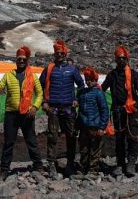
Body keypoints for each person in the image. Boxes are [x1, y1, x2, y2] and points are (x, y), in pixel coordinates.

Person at [0, 46, 44, 184]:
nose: (21, 61)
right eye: (19, 59)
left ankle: (38, 166)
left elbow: (40, 93)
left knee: (31, 141)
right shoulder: (9, 75)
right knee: (9, 142)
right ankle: (4, 170)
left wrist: (35, 107)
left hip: (27, 114)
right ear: (16, 60)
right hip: (11, 114)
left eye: (24, 59)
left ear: (27, 61)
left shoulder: (32, 76)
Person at [40, 39, 85, 177]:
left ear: (65, 54)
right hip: (53, 108)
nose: (59, 55)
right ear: (54, 54)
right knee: (52, 137)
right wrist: (44, 102)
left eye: (61, 53)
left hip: (68, 108)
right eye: (57, 53)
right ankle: (51, 165)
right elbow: (40, 86)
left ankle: (70, 163)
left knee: (71, 136)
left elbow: (81, 85)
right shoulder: (49, 69)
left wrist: (77, 99)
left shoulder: (72, 69)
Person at [101, 45, 138, 177]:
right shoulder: (112, 75)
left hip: (131, 111)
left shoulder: (134, 75)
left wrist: (136, 106)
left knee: (132, 137)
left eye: (123, 58)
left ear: (127, 59)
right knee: (119, 138)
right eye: (119, 58)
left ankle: (131, 163)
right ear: (115, 59)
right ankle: (120, 164)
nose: (121, 60)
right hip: (118, 111)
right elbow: (102, 89)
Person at [75, 66, 109, 180]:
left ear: (95, 80)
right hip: (84, 126)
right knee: (84, 148)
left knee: (95, 149)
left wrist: (102, 127)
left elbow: (104, 111)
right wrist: (77, 125)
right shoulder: (82, 93)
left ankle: (93, 170)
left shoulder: (99, 93)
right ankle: (82, 168)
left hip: (95, 126)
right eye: (87, 80)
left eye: (91, 80)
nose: (88, 82)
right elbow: (79, 111)